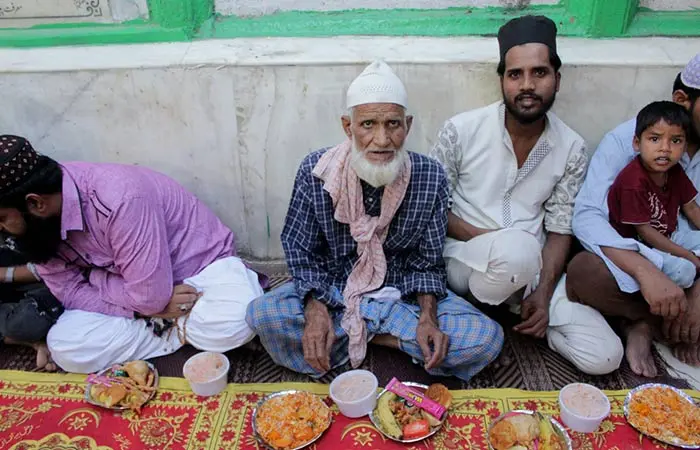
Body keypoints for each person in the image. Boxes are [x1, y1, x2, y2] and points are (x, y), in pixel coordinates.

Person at [246, 61, 504, 381]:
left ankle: (369, 337)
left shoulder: (430, 177)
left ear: (407, 126)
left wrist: (427, 317)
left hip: (402, 297)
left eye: (392, 124)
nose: (381, 140)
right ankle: (390, 340)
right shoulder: (316, 172)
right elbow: (301, 252)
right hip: (335, 292)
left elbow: (427, 265)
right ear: (348, 127)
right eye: (368, 124)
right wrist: (316, 309)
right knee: (261, 315)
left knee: (486, 338)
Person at [429, 15, 623, 375]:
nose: (527, 85)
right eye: (515, 74)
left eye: (539, 73)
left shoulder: (572, 147)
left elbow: (561, 227)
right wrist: (495, 240)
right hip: (465, 261)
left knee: (605, 355)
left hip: (531, 271)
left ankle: (525, 318)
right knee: (515, 252)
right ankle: (481, 315)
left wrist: (545, 294)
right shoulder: (461, 130)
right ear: (502, 80)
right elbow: (431, 208)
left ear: (557, 79)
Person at [0, 135, 266, 373]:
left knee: (237, 319)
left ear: (35, 203)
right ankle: (179, 332)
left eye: (1, 219)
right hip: (138, 296)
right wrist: (143, 311)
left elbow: (148, 296)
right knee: (65, 346)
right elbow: (69, 292)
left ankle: (164, 334)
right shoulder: (36, 230)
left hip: (196, 273)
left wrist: (93, 278)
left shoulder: (119, 199)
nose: (1, 230)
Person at [570, 53, 700, 375]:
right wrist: (645, 271)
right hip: (641, 261)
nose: (663, 146)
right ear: (683, 100)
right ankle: (644, 321)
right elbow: (587, 217)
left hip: (690, 265)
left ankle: (668, 319)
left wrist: (699, 291)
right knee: (585, 272)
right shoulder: (628, 142)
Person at [608, 101, 700, 287]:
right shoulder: (632, 182)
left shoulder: (674, 171)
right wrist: (686, 255)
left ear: (684, 145)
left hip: (669, 235)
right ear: (637, 143)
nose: (665, 148)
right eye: (655, 139)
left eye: (675, 141)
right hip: (640, 247)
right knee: (686, 272)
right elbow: (645, 232)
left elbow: (691, 207)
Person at [0, 243, 63, 371]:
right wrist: (36, 345)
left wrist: (4, 274)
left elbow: (53, 266)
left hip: (56, 280)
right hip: (25, 302)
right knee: (15, 325)